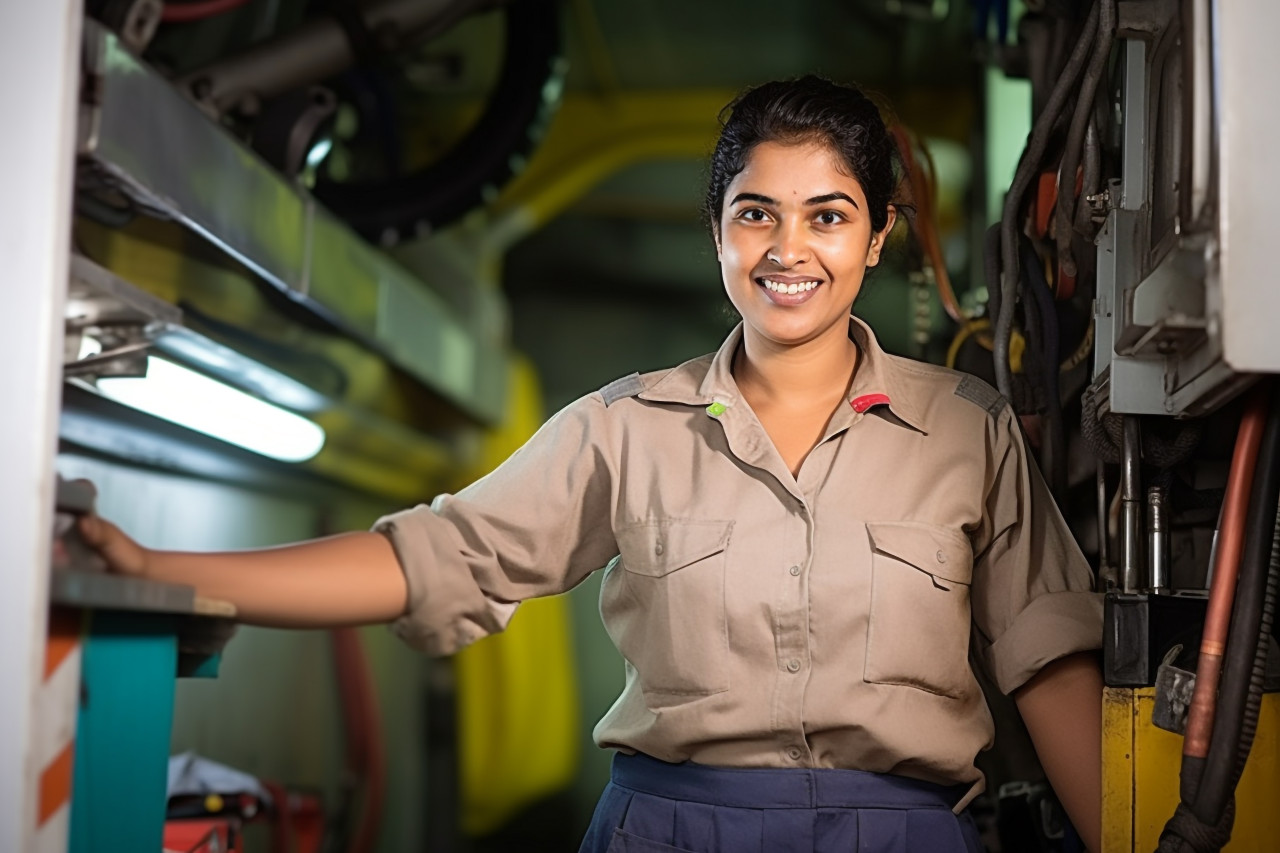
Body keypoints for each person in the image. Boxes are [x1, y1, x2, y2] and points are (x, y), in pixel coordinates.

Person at [81, 76, 1104, 853]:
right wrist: (176, 573)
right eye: (755, 212)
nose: (787, 248)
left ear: (876, 235)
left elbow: (1045, 658)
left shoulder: (965, 428)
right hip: (671, 830)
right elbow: (438, 557)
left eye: (826, 215)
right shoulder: (625, 428)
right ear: (716, 232)